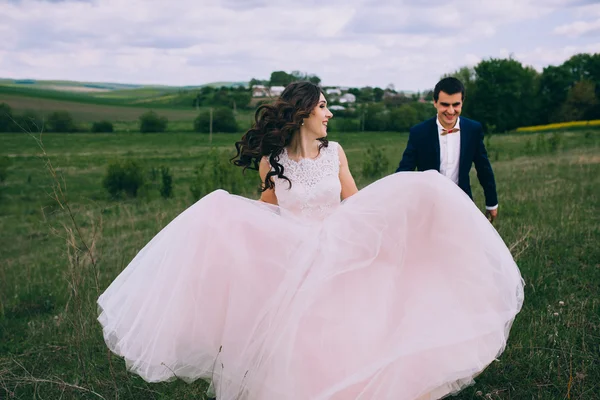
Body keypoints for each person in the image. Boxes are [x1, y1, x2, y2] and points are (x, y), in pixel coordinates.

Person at [98, 81, 524, 400]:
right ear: (303, 112)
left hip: (340, 252)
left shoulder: (335, 153)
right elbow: (266, 210)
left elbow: (356, 202)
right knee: (302, 345)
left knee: (352, 333)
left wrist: (402, 213)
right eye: (323, 106)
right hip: (294, 260)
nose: (329, 114)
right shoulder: (273, 161)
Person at [396, 77, 499, 223]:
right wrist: (395, 202)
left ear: (462, 102)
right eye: (445, 104)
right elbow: (404, 172)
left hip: (462, 203)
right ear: (435, 102)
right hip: (427, 207)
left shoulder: (473, 130)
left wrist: (491, 202)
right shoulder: (419, 132)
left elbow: (483, 168)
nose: (451, 111)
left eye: (456, 105)